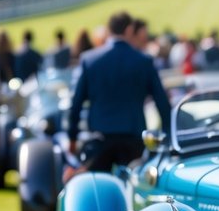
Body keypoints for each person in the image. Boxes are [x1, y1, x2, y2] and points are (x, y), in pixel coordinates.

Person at [66, 11, 171, 172]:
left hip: (100, 139)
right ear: (129, 30)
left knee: (98, 191)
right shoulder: (143, 61)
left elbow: (76, 103)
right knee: (132, 191)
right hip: (133, 139)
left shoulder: (89, 59)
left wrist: (72, 137)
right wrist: (167, 137)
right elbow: (162, 103)